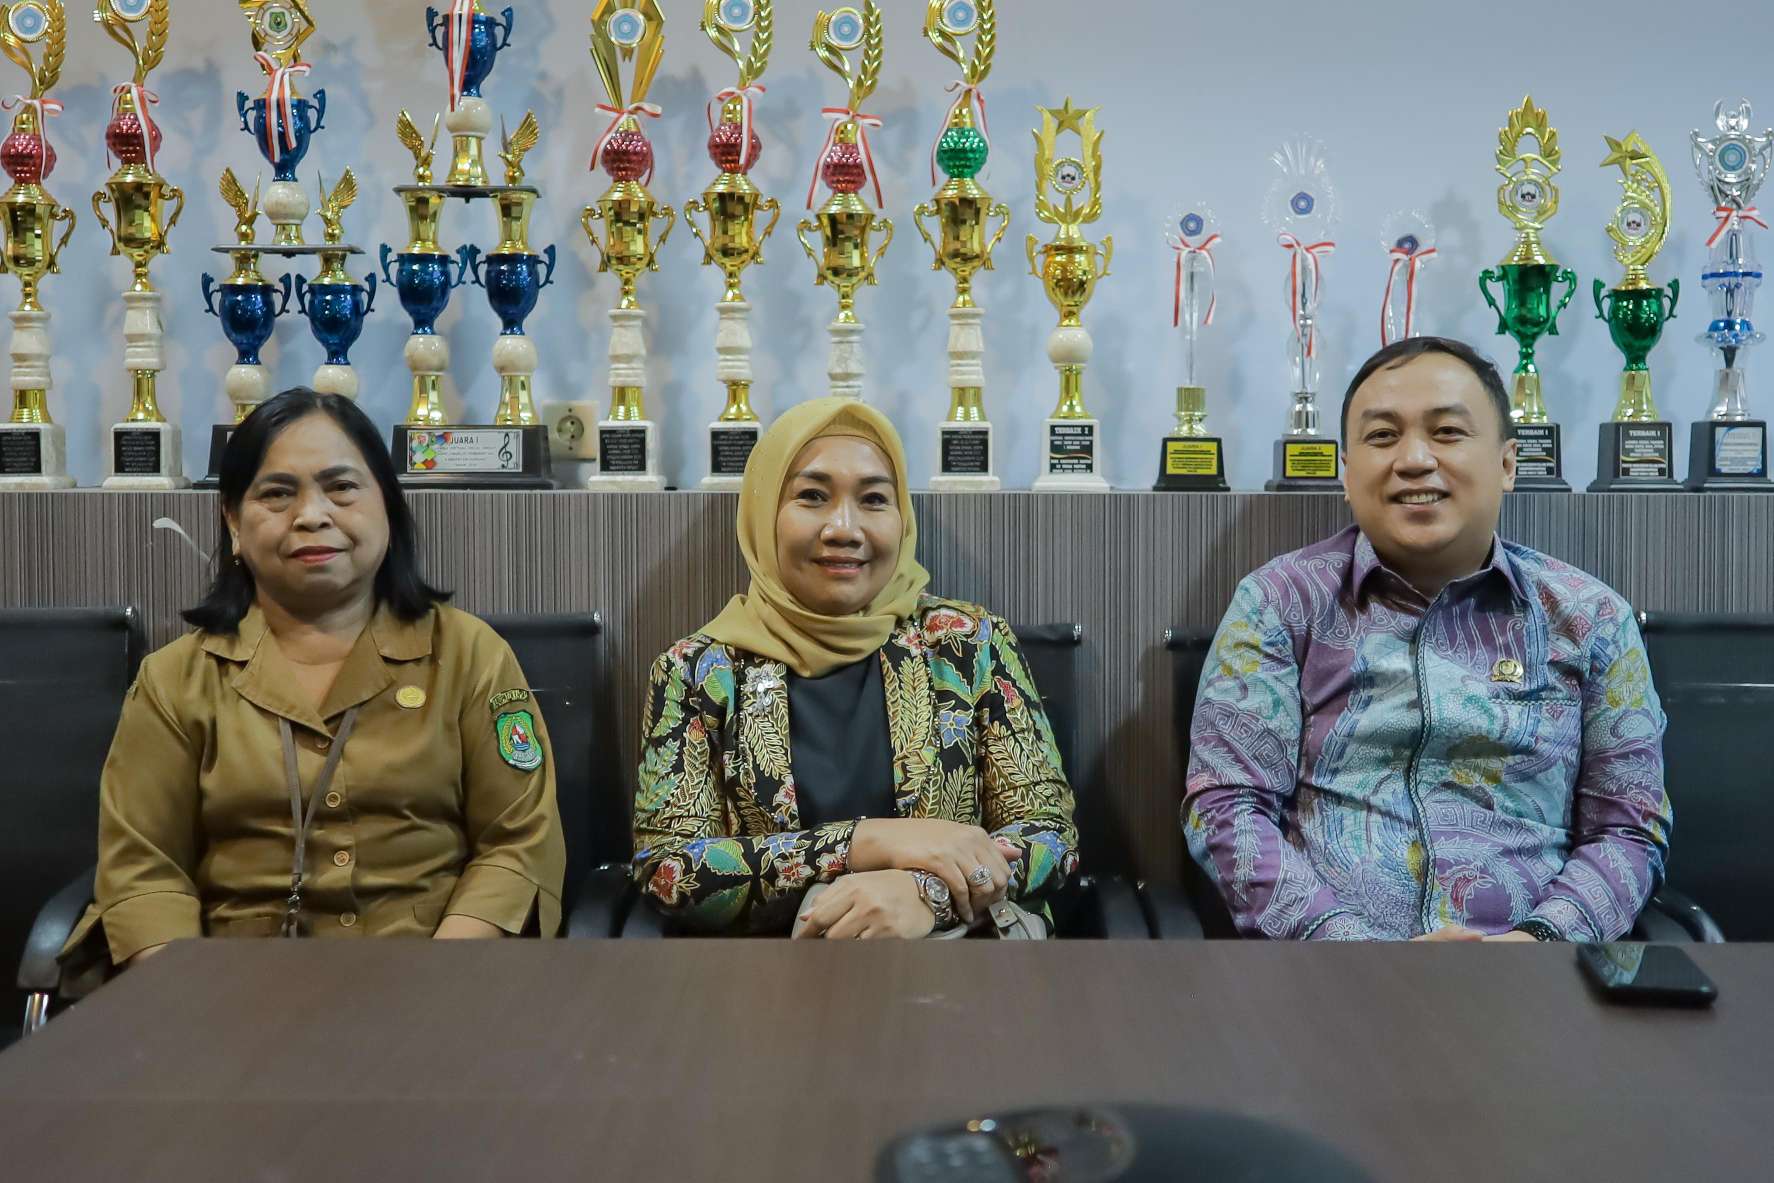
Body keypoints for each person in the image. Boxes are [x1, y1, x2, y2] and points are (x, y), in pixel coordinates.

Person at [1185, 337, 1671, 942]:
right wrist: (1355, 953)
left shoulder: (1591, 619)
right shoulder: (1280, 604)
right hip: (1329, 974)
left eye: (1447, 432)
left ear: (1507, 464)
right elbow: (1227, 808)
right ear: (1346, 472)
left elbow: (1627, 829)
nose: (1414, 459)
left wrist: (1539, 943)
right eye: (1382, 436)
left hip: (1537, 975)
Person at [64, 388, 565, 970]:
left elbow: (517, 846)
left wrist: (434, 985)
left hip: (436, 983)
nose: (311, 515)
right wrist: (197, 1004)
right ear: (233, 521)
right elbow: (144, 873)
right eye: (277, 493)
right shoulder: (175, 679)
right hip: (228, 990)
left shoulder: (469, 655)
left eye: (341, 487)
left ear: (388, 506)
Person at [632, 397, 1078, 938]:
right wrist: (864, 843)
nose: (844, 528)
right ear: (763, 513)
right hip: (768, 973)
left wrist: (926, 894)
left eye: (873, 500)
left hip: (956, 966)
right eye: (812, 496)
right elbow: (669, 871)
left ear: (901, 518)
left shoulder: (968, 644)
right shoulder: (697, 671)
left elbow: (1050, 837)